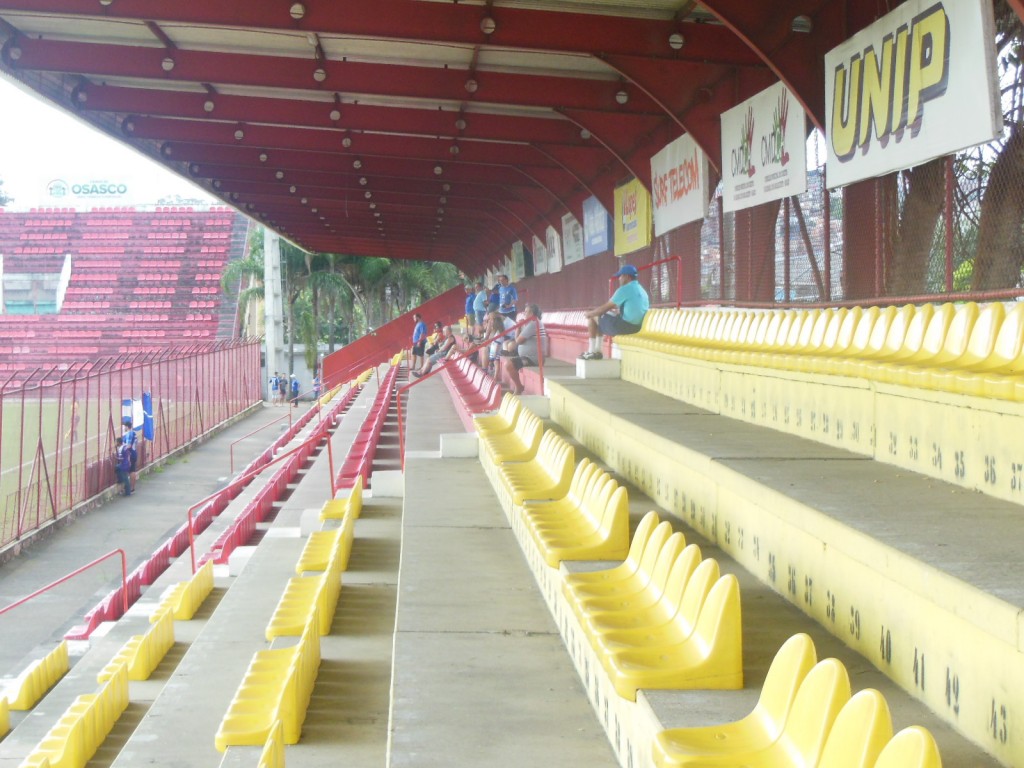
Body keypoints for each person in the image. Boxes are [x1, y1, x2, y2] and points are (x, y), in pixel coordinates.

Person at [580, 263, 650, 360]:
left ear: (627, 276)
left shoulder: (625, 289)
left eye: (620, 276)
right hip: (638, 327)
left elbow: (605, 307)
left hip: (625, 327)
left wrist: (589, 314)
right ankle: (596, 351)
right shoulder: (641, 290)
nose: (619, 279)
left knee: (594, 316)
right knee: (601, 317)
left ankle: (593, 351)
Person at [504, 304, 544, 396]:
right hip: (527, 356)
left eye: (526, 312)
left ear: (532, 313)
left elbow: (516, 342)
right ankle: (518, 386)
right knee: (510, 361)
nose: (524, 314)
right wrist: (519, 327)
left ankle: (519, 387)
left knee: (509, 364)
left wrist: (518, 327)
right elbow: (516, 340)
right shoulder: (531, 323)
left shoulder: (533, 323)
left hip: (533, 358)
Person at [484, 310, 515, 375]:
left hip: (502, 350)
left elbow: (498, 344)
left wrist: (492, 358)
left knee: (495, 361)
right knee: (486, 348)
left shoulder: (505, 326)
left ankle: (493, 375)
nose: (490, 322)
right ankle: (486, 371)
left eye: (492, 320)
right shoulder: (499, 329)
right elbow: (489, 338)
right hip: (498, 349)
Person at [122, 417, 139, 492]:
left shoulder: (129, 434)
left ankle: (130, 488)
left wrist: (122, 448)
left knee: (130, 471)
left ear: (126, 426)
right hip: (134, 453)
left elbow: (128, 445)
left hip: (130, 455)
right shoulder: (134, 433)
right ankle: (132, 487)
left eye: (124, 426)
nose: (124, 428)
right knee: (133, 470)